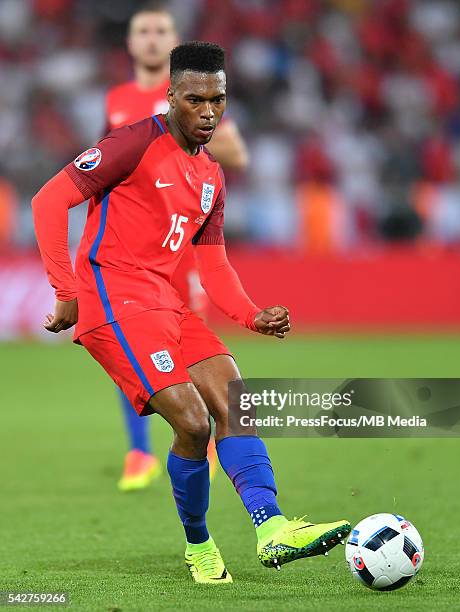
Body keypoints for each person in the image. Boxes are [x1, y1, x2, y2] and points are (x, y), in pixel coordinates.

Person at [32, 41, 350, 584]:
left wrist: (251, 316)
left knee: (234, 401)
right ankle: (200, 546)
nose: (208, 112)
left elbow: (215, 266)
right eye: (195, 100)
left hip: (165, 302)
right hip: (112, 300)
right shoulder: (132, 144)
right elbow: (47, 201)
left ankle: (271, 529)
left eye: (218, 100)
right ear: (171, 95)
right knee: (193, 423)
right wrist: (66, 289)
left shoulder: (211, 178)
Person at [105, 2, 249, 491]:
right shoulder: (119, 99)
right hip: (134, 257)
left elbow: (234, 152)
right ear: (129, 43)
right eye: (141, 31)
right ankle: (139, 450)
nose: (149, 38)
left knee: (189, 351)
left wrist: (185, 132)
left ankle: (201, 438)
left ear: (172, 42)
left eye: (159, 31)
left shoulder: (196, 98)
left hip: (181, 254)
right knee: (139, 352)